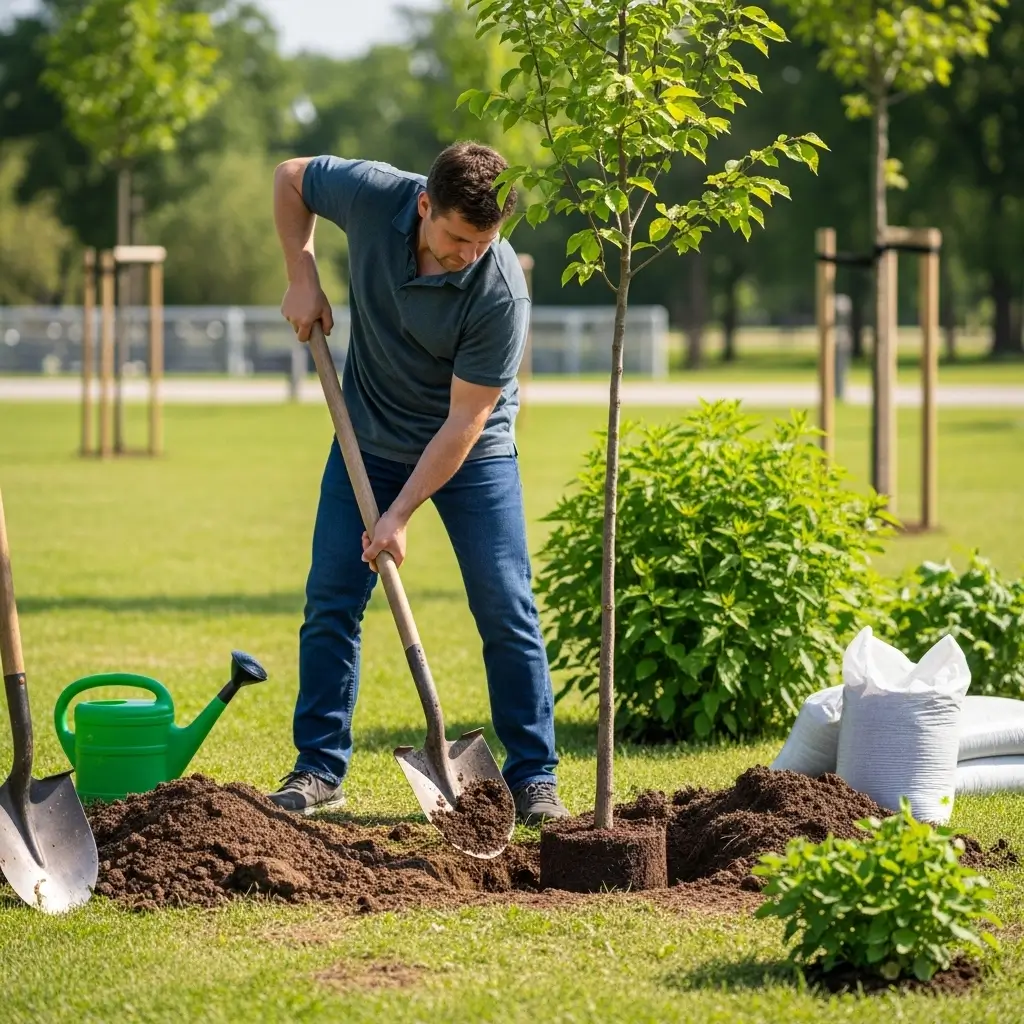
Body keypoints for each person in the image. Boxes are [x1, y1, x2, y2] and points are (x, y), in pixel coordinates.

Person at [269, 141, 568, 825]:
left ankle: (534, 777)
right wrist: (302, 272)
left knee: (504, 603)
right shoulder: (376, 196)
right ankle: (319, 768)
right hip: (368, 435)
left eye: (483, 242)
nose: (468, 254)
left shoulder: (498, 289)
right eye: (457, 238)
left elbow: (467, 418)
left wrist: (399, 515)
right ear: (424, 205)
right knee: (333, 599)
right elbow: (291, 180)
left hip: (471, 452)